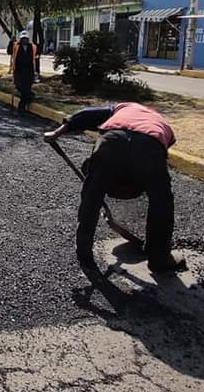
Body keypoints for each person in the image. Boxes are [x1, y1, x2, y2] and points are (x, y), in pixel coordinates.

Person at [43, 102, 186, 274]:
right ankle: (159, 258)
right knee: (161, 200)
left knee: (92, 193)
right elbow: (155, 157)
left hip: (112, 141)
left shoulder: (123, 107)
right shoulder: (162, 124)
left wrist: (57, 133)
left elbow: (87, 114)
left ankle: (83, 251)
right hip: (150, 145)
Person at [9, 30, 37, 111]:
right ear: (20, 39)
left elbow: (34, 58)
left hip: (29, 71)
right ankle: (30, 96)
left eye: (26, 38)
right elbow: (9, 51)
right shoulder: (16, 46)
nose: (24, 40)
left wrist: (35, 71)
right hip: (18, 70)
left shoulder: (33, 47)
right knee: (19, 86)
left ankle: (22, 107)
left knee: (26, 88)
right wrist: (11, 41)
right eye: (22, 38)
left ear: (28, 39)